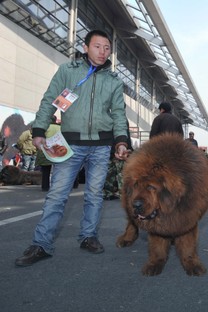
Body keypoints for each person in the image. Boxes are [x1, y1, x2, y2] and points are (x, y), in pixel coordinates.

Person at [15, 29, 130, 267]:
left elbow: (119, 113)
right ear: (86, 47)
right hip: (70, 145)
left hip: (101, 146)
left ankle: (88, 236)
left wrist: (121, 141)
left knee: (95, 195)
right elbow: (49, 100)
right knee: (57, 195)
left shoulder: (113, 81)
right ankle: (41, 244)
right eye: (97, 46)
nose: (103, 51)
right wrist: (38, 131)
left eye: (107, 48)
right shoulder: (67, 72)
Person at [103, 123, 133, 200]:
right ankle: (122, 194)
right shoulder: (121, 120)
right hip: (120, 150)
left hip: (111, 150)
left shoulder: (108, 118)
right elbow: (127, 136)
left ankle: (108, 193)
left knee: (109, 174)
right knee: (121, 174)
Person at [35, 115, 60, 192]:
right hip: (57, 151)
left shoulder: (44, 128)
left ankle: (45, 187)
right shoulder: (60, 128)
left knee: (45, 171)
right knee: (57, 170)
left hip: (45, 151)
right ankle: (56, 187)